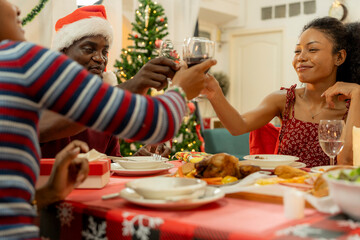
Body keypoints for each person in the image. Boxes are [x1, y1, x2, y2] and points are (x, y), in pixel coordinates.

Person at [0, 0, 216, 238]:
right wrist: (181, 89)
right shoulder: (21, 59)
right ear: (61, 54)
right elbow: (159, 122)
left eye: (104, 51)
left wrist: (50, 191)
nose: (17, 8)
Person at [202, 17, 360, 167]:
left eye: (312, 49)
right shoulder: (284, 100)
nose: (301, 58)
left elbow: (346, 163)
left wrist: (358, 94)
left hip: (325, 193)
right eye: (297, 51)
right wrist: (214, 93)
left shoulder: (353, 108)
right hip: (285, 190)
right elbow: (238, 126)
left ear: (339, 57)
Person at [40, 5, 174, 158]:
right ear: (63, 53)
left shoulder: (104, 101)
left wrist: (137, 160)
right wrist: (132, 85)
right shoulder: (44, 93)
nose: (100, 58)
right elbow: (45, 128)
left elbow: (110, 163)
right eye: (89, 49)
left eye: (104, 52)